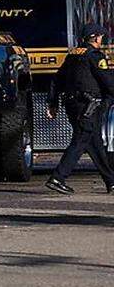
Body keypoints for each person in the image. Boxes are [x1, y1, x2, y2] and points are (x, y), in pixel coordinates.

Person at [45, 23, 114, 194]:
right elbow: (108, 83)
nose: (102, 39)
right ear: (95, 37)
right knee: (81, 140)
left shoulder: (73, 55)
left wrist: (53, 103)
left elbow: (57, 80)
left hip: (73, 105)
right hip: (88, 106)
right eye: (101, 37)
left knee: (95, 144)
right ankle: (58, 177)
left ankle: (111, 181)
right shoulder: (95, 57)